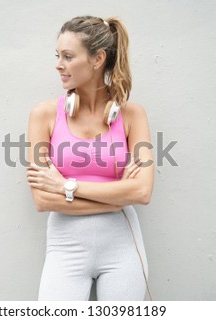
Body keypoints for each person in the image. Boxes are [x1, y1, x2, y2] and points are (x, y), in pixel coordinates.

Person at [26, 16, 155, 301]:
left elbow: (143, 192)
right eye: (57, 56)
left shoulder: (133, 115)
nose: (59, 64)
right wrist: (119, 196)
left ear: (97, 59)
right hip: (65, 248)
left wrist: (66, 187)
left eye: (68, 56)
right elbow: (42, 200)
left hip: (123, 247)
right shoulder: (43, 115)